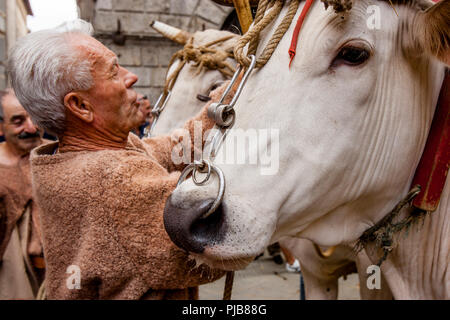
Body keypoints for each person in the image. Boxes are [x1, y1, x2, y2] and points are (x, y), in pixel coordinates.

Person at [8, 20, 228, 300]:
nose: (131, 76)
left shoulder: (72, 157)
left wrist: (220, 106)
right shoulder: (115, 178)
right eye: (113, 72)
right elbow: (219, 243)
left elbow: (169, 148)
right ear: (80, 106)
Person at [0, 89, 45, 299]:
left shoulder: (57, 155)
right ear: (1, 127)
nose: (31, 127)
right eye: (18, 121)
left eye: (34, 117)